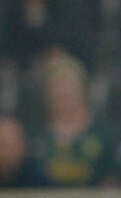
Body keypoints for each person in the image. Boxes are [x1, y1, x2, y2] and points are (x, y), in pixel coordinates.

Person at [34, 50, 116, 186]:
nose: (63, 94)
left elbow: (112, 182)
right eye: (57, 88)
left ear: (82, 90)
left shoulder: (104, 135)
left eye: (68, 87)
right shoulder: (34, 135)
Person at [0, 115, 47, 188]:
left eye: (10, 144)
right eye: (1, 144)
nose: (5, 152)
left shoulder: (39, 181)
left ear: (23, 145)